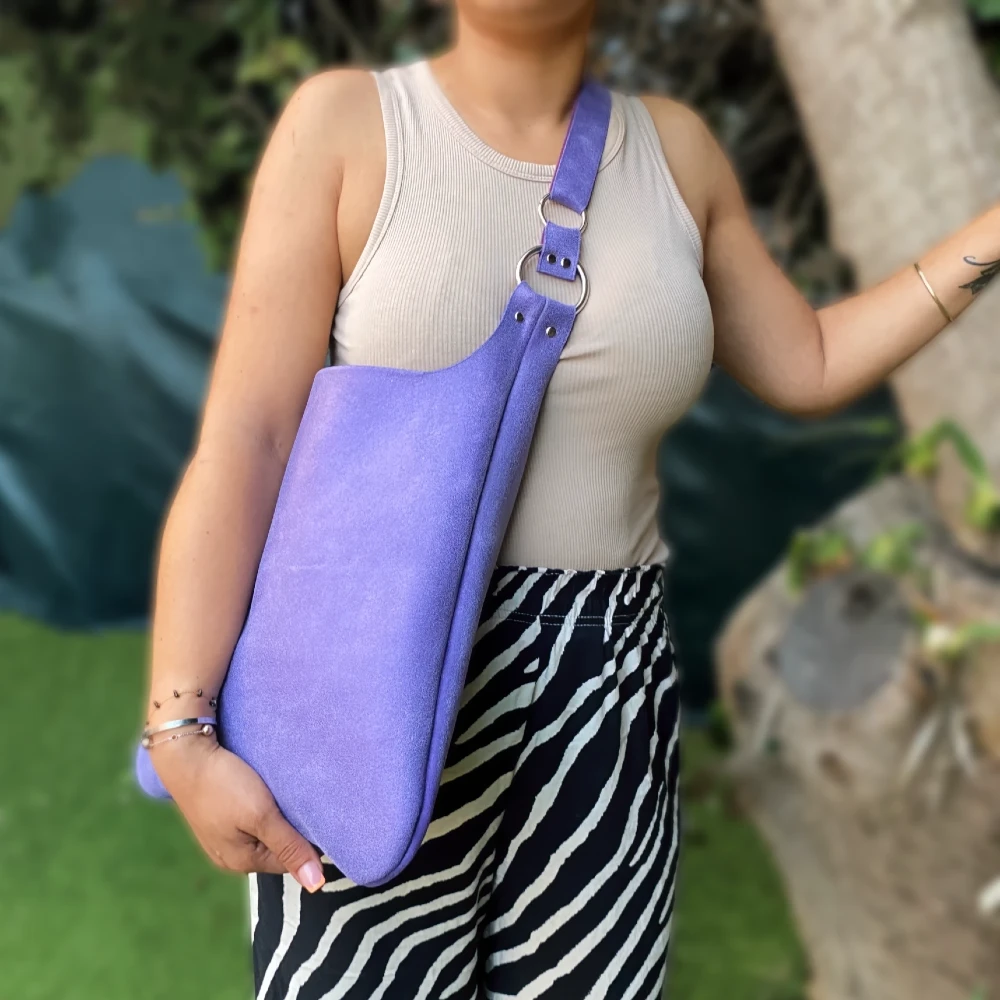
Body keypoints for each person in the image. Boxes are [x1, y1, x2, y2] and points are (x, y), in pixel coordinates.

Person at [139, 1, 1000, 997]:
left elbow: (806, 361)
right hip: (369, 687)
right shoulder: (348, 125)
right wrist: (181, 729)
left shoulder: (675, 154)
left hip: (609, 697)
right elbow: (247, 441)